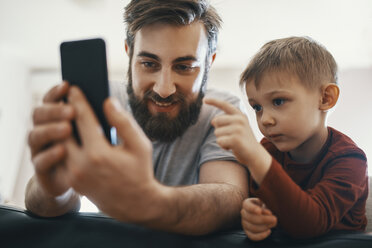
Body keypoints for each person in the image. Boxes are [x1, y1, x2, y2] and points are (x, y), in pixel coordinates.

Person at [25, 0, 248, 235]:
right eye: (149, 64)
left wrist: (149, 201)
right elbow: (43, 204)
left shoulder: (221, 110)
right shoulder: (100, 102)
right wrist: (54, 190)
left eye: (184, 67)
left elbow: (230, 198)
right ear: (129, 54)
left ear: (208, 63)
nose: (164, 89)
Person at [205, 36, 368, 240]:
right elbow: (265, 209)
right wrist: (254, 216)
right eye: (257, 107)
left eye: (279, 101)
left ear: (326, 98)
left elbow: (310, 223)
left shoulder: (350, 160)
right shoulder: (268, 150)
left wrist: (256, 158)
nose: (265, 119)